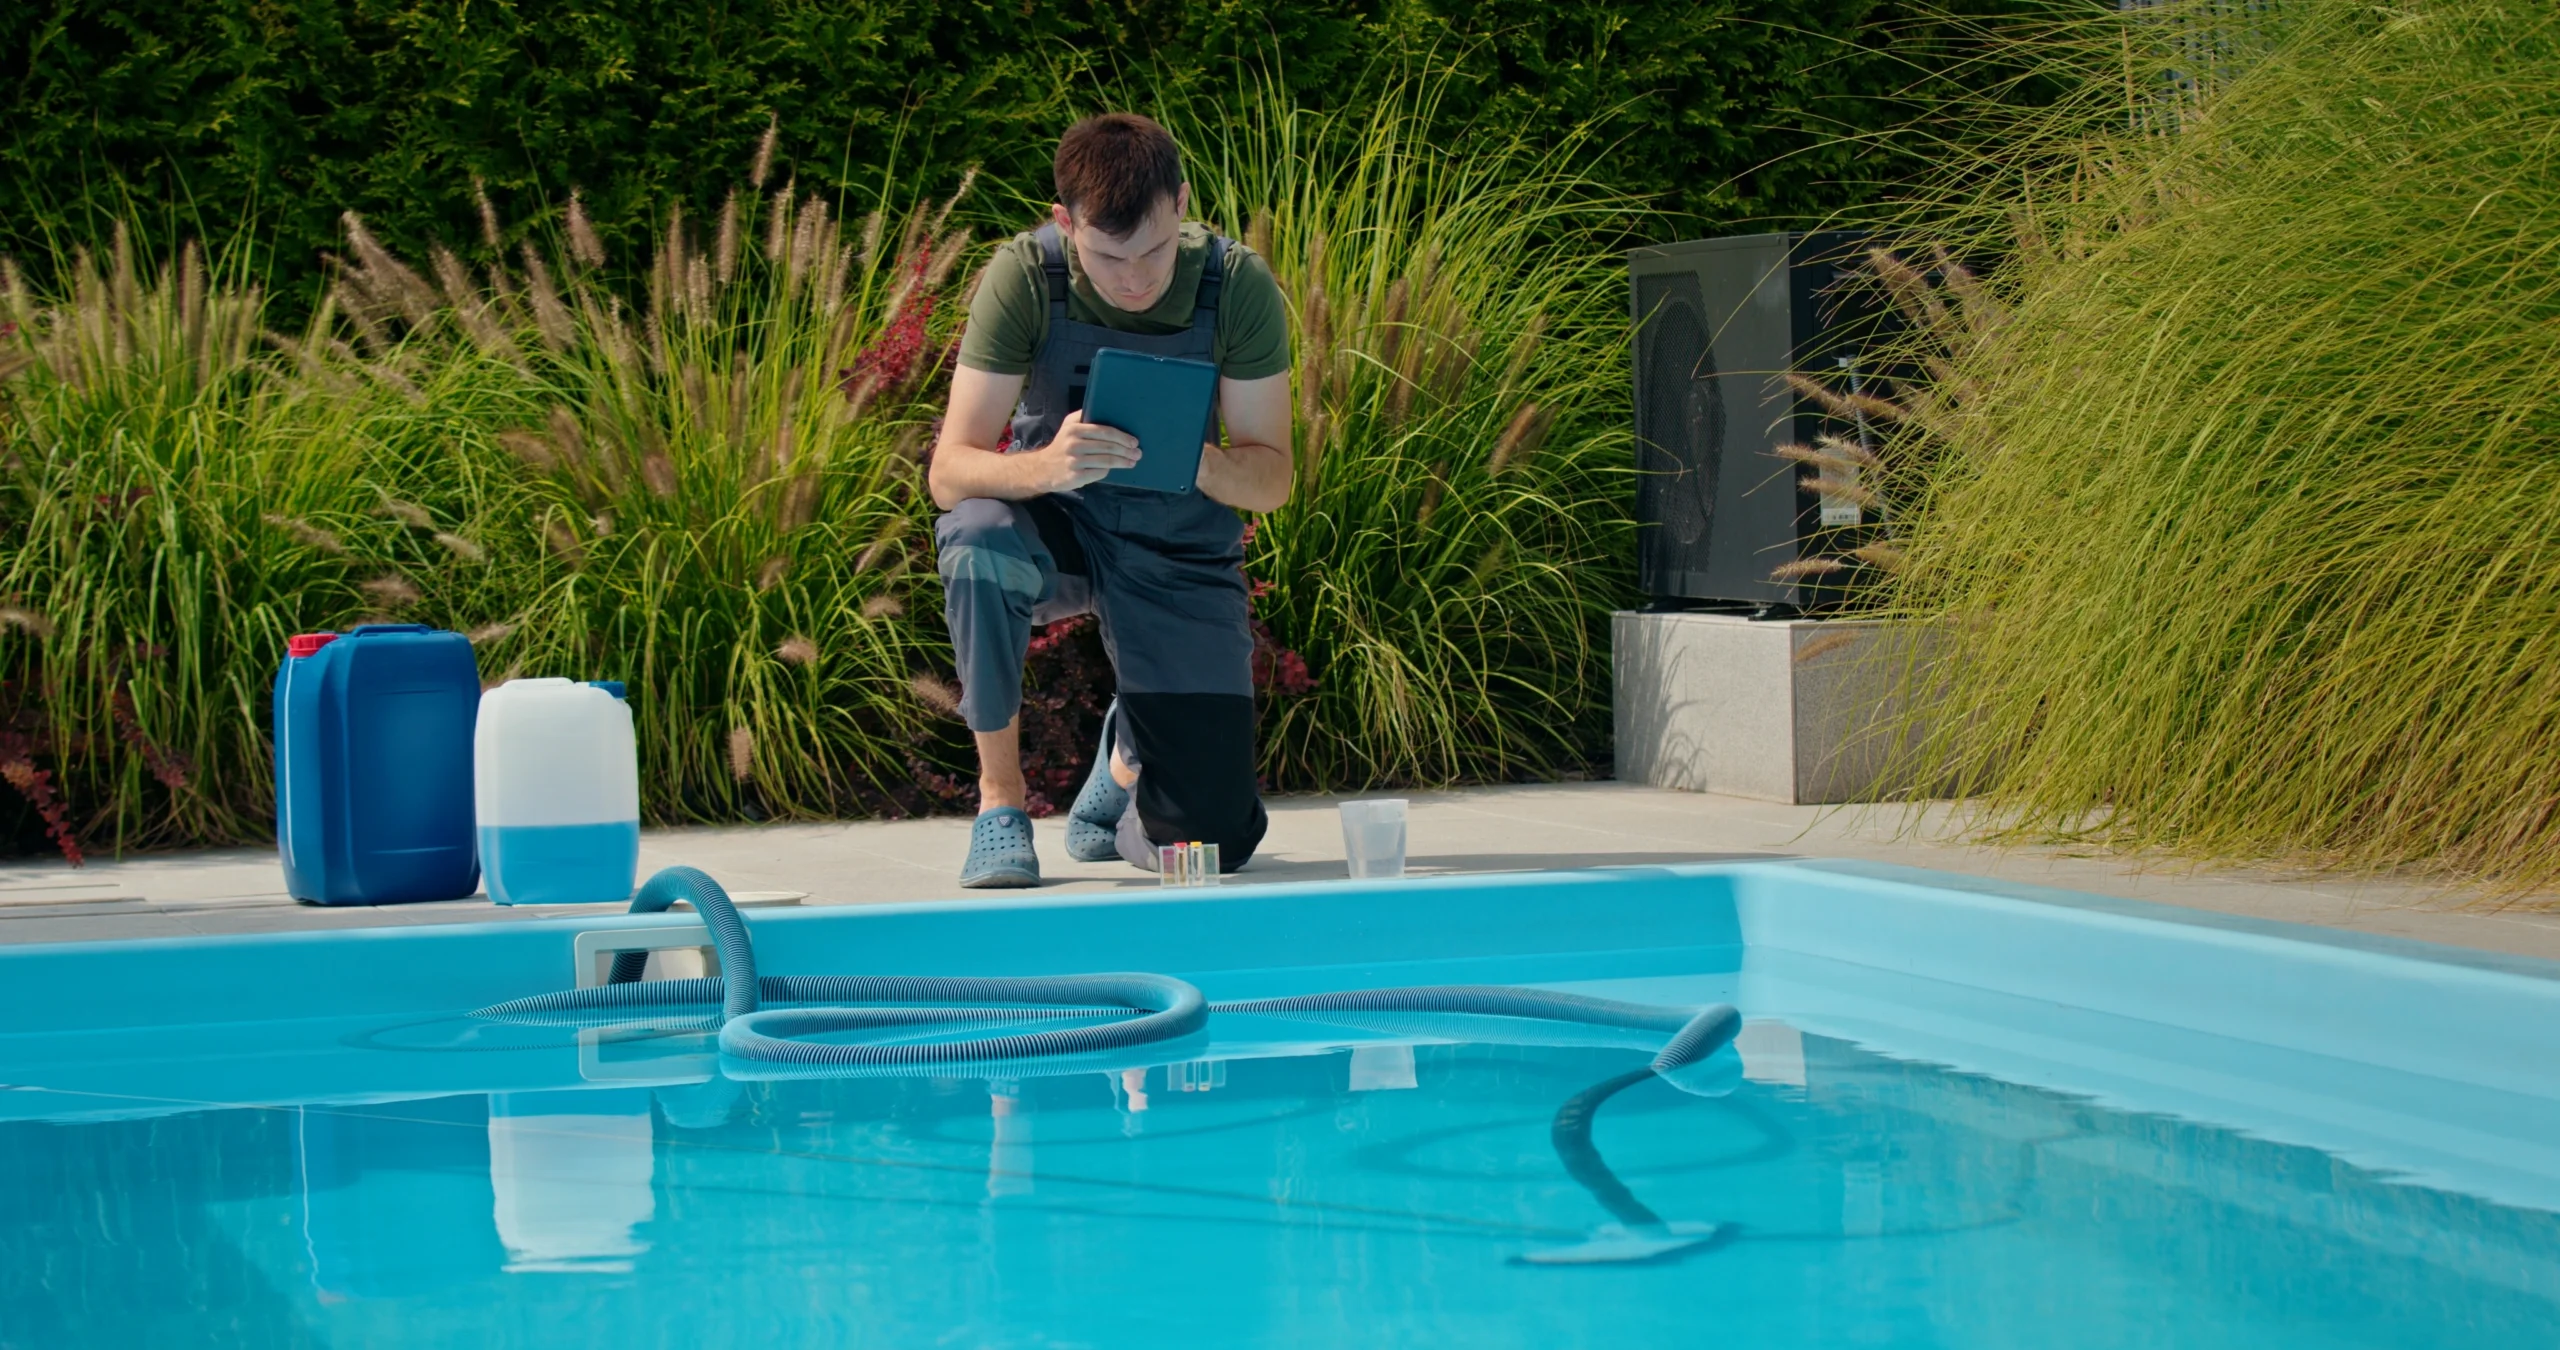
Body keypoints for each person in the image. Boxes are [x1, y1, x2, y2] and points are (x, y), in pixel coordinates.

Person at [929, 113, 1294, 887]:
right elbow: (949, 471)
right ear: (1066, 223)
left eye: (1157, 250)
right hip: (1059, 526)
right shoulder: (1025, 273)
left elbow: (1274, 479)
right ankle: (1001, 805)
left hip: (1180, 548)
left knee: (1209, 848)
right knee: (977, 537)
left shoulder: (1238, 284)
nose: (1135, 278)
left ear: (1184, 202)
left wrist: (1196, 461)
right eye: (1108, 256)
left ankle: (1128, 758)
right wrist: (1046, 469)